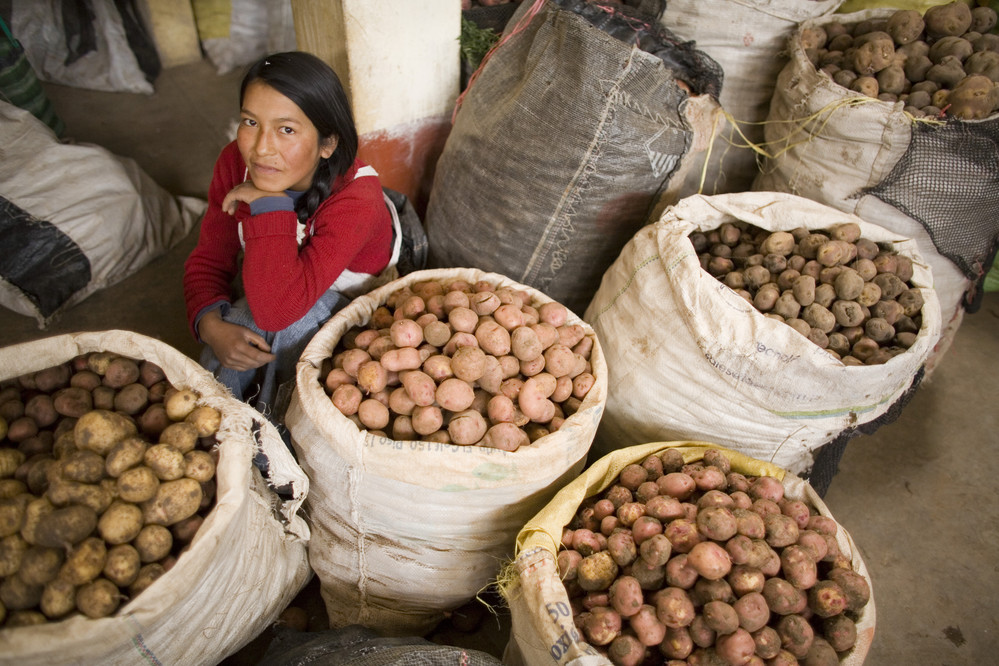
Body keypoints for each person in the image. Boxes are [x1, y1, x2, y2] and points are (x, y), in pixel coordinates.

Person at [184, 51, 399, 426]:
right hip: (279, 285)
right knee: (236, 329)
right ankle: (212, 428)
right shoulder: (235, 162)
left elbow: (277, 311)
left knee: (279, 328)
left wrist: (269, 204)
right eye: (250, 122)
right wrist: (210, 326)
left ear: (327, 144)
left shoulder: (356, 200)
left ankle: (273, 436)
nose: (262, 148)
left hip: (348, 300)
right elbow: (209, 259)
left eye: (286, 129)